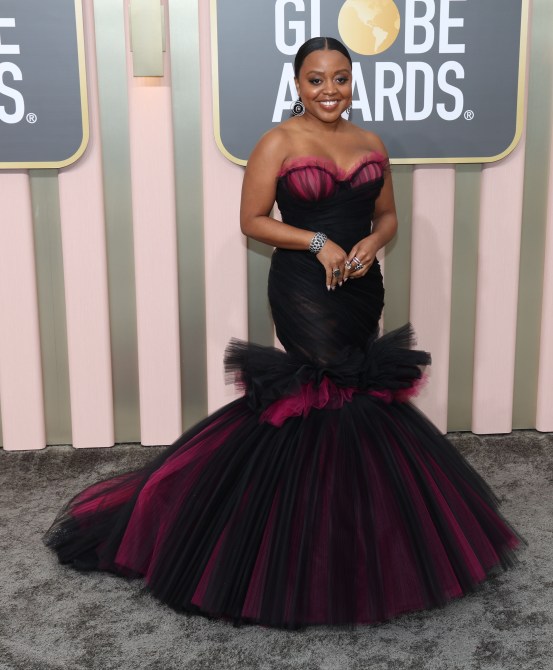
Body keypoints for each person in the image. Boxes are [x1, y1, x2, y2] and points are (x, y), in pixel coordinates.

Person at [44, 37, 524, 629]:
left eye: (341, 78)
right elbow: (252, 221)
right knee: (318, 391)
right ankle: (292, 544)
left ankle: (355, 534)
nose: (330, 90)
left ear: (353, 82)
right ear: (298, 84)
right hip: (303, 286)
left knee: (359, 392)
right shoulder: (277, 142)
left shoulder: (370, 143)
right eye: (316, 79)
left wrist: (372, 243)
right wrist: (318, 242)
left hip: (360, 286)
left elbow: (387, 215)